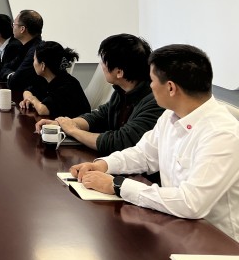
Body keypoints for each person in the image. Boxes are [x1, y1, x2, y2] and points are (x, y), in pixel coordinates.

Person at [71, 44, 239, 241]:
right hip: (177, 228)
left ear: (170, 88)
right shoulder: (170, 115)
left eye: (152, 80)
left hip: (216, 244)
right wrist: (104, 164)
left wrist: (117, 185)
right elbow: (143, 154)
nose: (150, 86)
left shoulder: (222, 133)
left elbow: (191, 203)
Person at [35, 34, 163, 154]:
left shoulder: (154, 102)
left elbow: (120, 142)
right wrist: (62, 124)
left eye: (104, 61)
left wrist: (72, 130)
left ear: (119, 72)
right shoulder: (121, 92)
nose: (101, 65)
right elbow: (99, 116)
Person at [19, 42, 89, 117]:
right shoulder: (46, 78)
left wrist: (32, 100)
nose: (33, 63)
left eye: (34, 60)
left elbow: (43, 110)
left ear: (43, 65)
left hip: (77, 123)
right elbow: (28, 90)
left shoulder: (67, 85)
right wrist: (28, 100)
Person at [4, 9, 46, 97]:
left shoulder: (35, 51)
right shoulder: (26, 47)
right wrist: (12, 74)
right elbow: (6, 67)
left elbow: (14, 83)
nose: (12, 27)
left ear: (22, 29)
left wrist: (11, 74)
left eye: (14, 24)